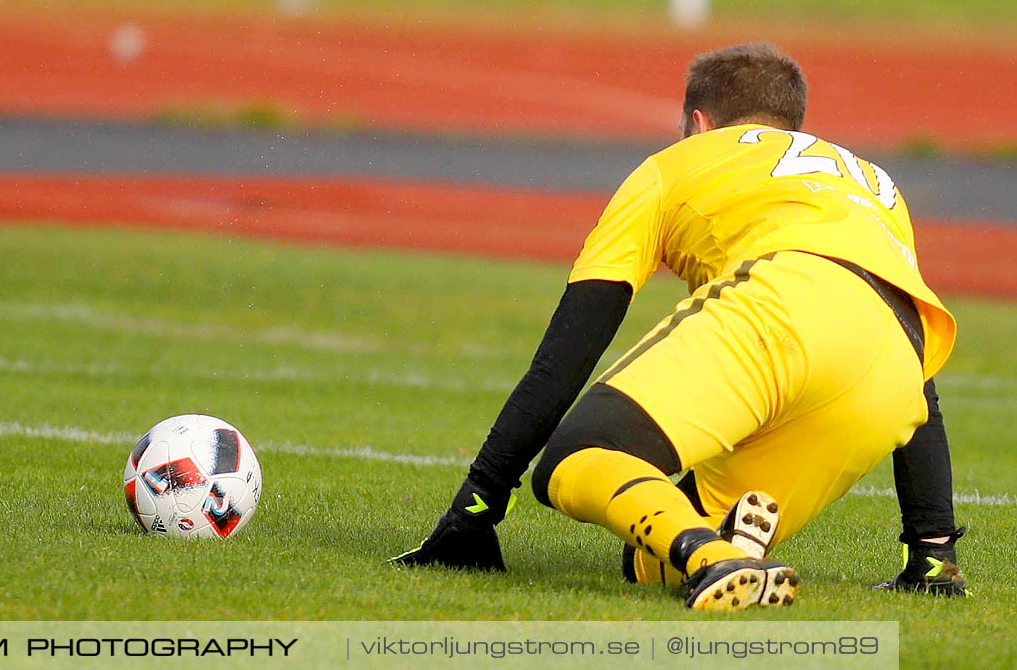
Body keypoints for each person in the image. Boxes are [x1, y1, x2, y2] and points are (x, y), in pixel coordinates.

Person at [394, 43, 968, 609]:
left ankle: (711, 556)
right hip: (896, 369)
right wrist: (931, 548)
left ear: (698, 123)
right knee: (646, 556)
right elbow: (918, 359)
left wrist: (478, 504)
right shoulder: (875, 184)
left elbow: (571, 348)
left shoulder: (674, 165)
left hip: (785, 305)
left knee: (575, 459)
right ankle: (730, 543)